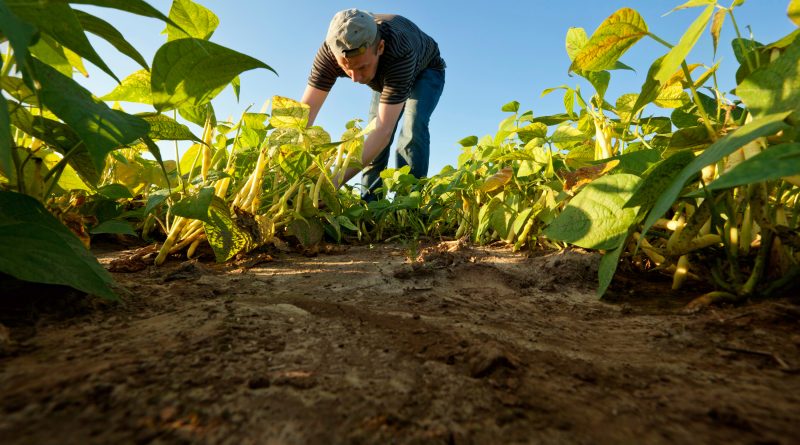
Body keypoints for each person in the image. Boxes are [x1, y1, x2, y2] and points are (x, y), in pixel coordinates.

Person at [300, 9, 446, 200]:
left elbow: (383, 130)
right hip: (384, 74)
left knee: (413, 126)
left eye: (362, 67)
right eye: (346, 68)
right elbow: (304, 114)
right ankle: (370, 204)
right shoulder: (329, 53)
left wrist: (332, 183)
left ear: (380, 47)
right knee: (372, 136)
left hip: (426, 70)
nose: (355, 78)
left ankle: (409, 203)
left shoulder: (400, 50)